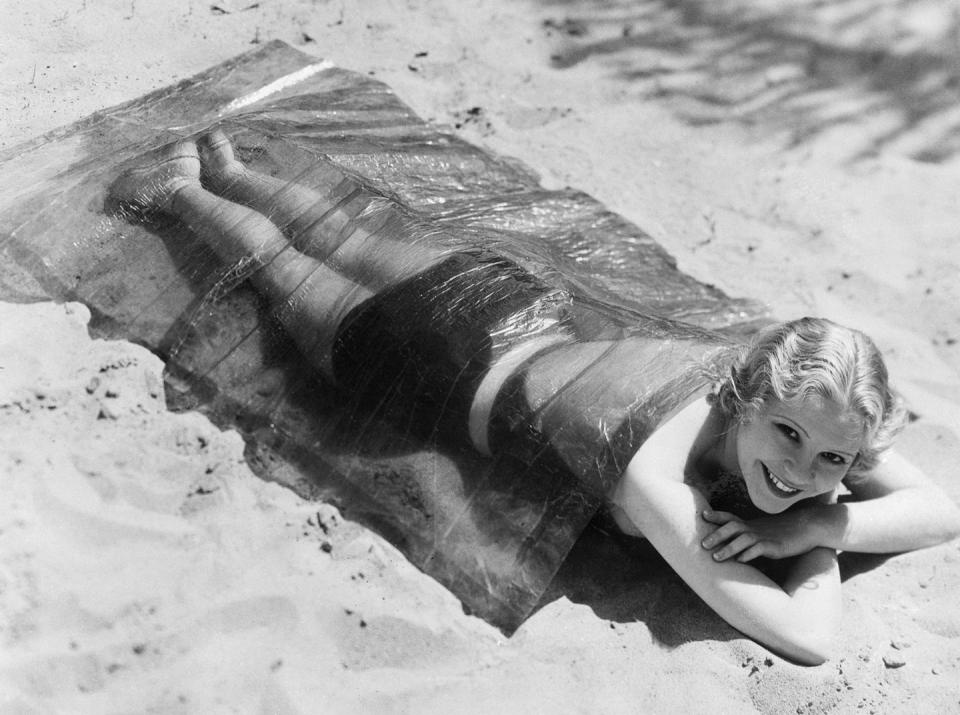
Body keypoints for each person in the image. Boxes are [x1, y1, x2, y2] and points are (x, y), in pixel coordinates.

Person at [110, 130, 960, 665]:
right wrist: (817, 533)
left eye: (834, 458)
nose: (807, 468)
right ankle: (188, 187)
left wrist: (817, 508)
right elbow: (806, 638)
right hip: (422, 358)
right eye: (789, 438)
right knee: (282, 264)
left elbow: (943, 509)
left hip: (506, 300)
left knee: (346, 238)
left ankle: (223, 159)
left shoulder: (800, 394)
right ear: (745, 395)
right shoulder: (653, 473)